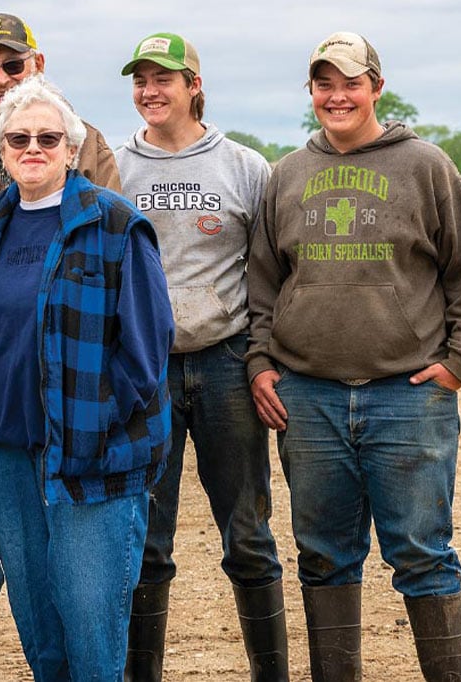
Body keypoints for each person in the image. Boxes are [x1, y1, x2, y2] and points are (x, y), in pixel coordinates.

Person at [247, 31, 461, 682]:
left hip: (408, 397)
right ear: (311, 93)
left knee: (422, 555)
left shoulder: (426, 167)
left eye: (350, 82)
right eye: (324, 84)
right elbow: (263, 283)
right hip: (309, 397)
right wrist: (260, 361)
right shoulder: (287, 175)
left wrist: (458, 364)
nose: (337, 95)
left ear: (376, 88)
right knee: (324, 556)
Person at [0, 75, 174, 681]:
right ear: (1, 149)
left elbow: (148, 348)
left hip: (92, 459)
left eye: (48, 138)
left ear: (72, 147)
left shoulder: (114, 224)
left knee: (91, 632)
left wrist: (97, 425)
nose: (33, 148)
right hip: (9, 456)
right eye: (19, 138)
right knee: (39, 631)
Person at [115, 33, 287, 681]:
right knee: (146, 540)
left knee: (247, 534)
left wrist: (262, 356)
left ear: (194, 85)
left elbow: (270, 273)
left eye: (165, 79)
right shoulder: (115, 167)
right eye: (141, 80)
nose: (151, 91)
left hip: (224, 362)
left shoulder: (243, 167)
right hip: (145, 370)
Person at [0, 11, 120, 190]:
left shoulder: (89, 146)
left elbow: (113, 215)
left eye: (13, 66)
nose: (1, 80)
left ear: (39, 65)